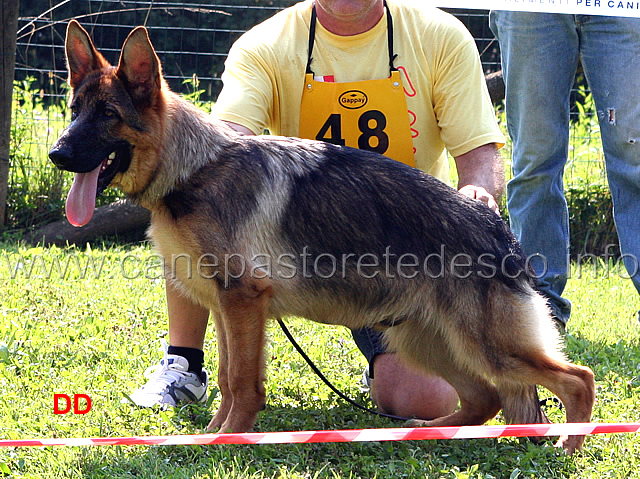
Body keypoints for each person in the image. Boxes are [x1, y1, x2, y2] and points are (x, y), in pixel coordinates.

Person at [127, 0, 505, 421]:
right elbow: (221, 145)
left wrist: (478, 190)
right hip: (298, 249)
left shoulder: (440, 34)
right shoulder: (266, 43)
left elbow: (478, 151)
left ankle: (388, 361)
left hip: (399, 256)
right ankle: (183, 363)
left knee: (424, 400)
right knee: (194, 207)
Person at [490, 12, 640, 329]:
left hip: (623, 6)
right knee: (534, 159)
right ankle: (540, 310)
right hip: (529, 9)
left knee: (636, 156)